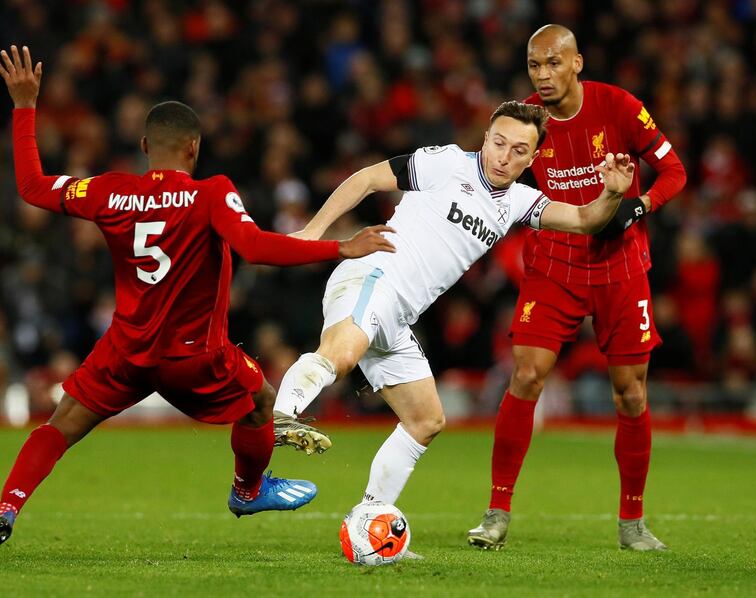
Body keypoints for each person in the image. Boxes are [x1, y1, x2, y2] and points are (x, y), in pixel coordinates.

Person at [0, 45, 395, 566]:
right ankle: (247, 489)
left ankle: (4, 512)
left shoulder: (108, 192)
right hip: (194, 356)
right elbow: (256, 247)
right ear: (193, 148)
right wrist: (340, 246)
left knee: (58, 425)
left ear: (146, 145)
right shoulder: (211, 192)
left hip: (125, 349)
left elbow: (32, 187)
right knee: (261, 399)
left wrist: (24, 106)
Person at [269, 99, 635, 554]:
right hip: (374, 275)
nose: (504, 156)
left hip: (399, 315)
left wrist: (613, 193)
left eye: (519, 150)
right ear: (485, 138)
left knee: (426, 420)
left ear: (534, 157)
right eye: (498, 143)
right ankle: (282, 415)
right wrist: (314, 230)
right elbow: (366, 179)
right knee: (340, 354)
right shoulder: (443, 163)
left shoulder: (520, 201)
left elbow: (584, 219)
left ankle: (368, 519)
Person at [466, 24, 687, 552]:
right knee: (525, 376)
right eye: (534, 66)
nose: (543, 76)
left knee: (630, 394)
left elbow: (673, 171)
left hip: (620, 265)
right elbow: (491, 180)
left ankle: (632, 521)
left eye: (553, 64)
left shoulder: (620, 107)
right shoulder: (523, 121)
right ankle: (496, 512)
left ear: (577, 63)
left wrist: (639, 205)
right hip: (554, 264)